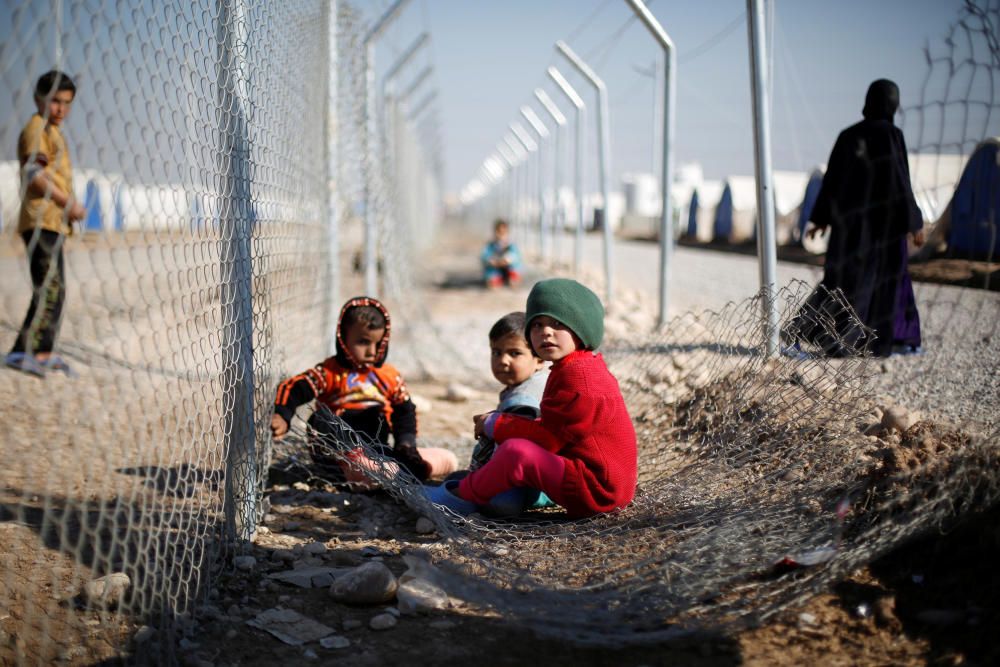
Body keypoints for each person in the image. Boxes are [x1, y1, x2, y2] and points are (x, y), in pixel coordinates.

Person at [426, 278, 638, 519]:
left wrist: (495, 424)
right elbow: (556, 428)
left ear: (581, 328)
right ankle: (475, 489)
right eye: (537, 324)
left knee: (517, 453)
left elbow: (548, 440)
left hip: (598, 492)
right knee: (516, 452)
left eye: (558, 323)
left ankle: (459, 498)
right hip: (596, 482)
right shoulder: (574, 368)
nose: (545, 331)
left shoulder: (580, 379)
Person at [794, 79, 925, 357]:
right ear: (893, 104)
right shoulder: (892, 135)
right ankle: (881, 341)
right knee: (886, 281)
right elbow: (902, 181)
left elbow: (831, 181)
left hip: (850, 227)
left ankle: (830, 337)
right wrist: (914, 222)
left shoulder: (848, 135)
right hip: (885, 229)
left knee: (843, 278)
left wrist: (821, 218)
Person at [271, 297, 457, 487]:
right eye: (363, 342)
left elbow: (404, 411)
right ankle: (363, 470)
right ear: (343, 337)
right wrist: (282, 415)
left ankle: (392, 469)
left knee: (438, 459)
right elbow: (294, 387)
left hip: (375, 448)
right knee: (323, 419)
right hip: (336, 453)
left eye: (378, 343)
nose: (371, 351)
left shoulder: (388, 376)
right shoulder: (329, 372)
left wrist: (406, 444)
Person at [5, 70, 86, 377]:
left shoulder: (54, 131)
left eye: (67, 103)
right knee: (49, 287)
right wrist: (70, 204)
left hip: (53, 222)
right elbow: (33, 175)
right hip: (41, 220)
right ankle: (22, 352)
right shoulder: (36, 128)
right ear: (39, 98)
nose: (61, 109)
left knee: (55, 288)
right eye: (55, 101)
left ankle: (42, 351)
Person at [449, 312, 554, 516]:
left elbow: (511, 453)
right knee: (456, 478)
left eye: (515, 353)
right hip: (544, 480)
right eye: (496, 352)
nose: (503, 361)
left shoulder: (522, 399)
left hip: (525, 486)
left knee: (482, 494)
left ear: (539, 359)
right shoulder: (537, 383)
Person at [480, 219, 522, 289]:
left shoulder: (511, 245)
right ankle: (496, 280)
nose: (501, 235)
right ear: (495, 232)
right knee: (492, 282)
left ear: (507, 233)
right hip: (494, 269)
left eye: (504, 233)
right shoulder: (490, 245)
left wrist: (507, 260)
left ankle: (511, 280)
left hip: (509, 269)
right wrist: (490, 261)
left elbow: (516, 257)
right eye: (499, 232)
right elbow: (484, 256)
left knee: (514, 278)